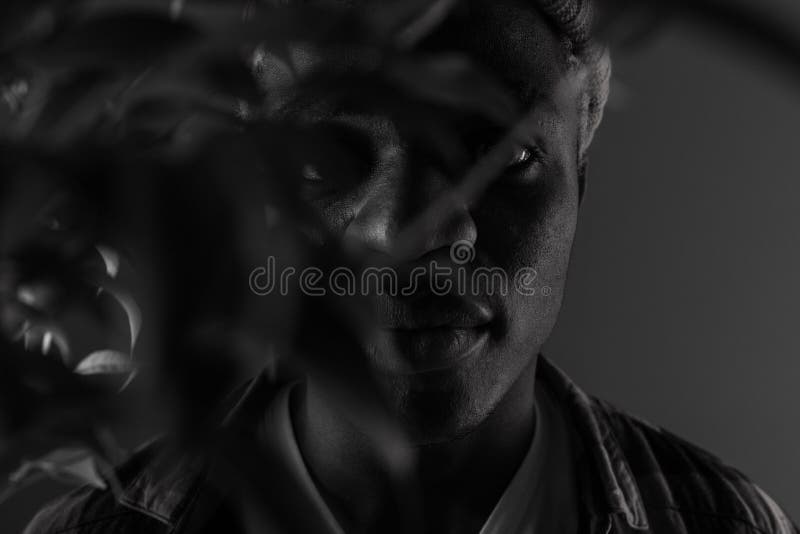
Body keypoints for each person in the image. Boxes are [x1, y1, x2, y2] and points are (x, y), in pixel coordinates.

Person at [23, 0, 798, 532]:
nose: (411, 231)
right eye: (331, 158)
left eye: (506, 155)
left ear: (579, 183)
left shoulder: (721, 520)